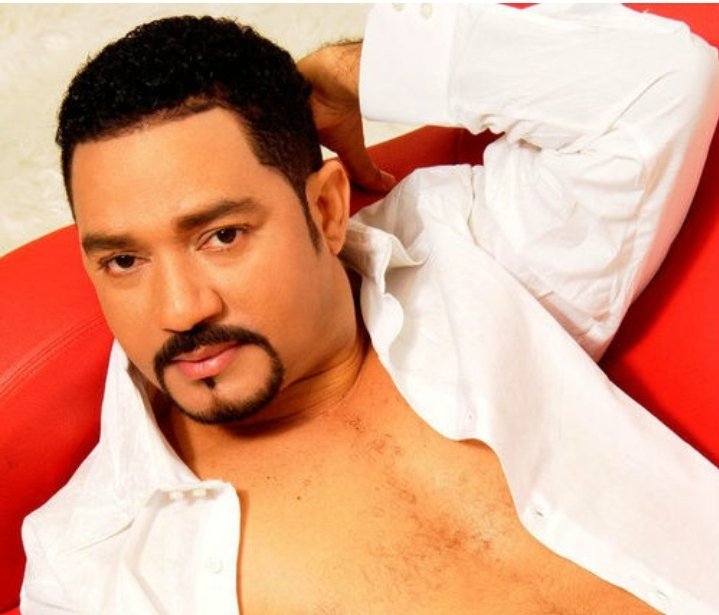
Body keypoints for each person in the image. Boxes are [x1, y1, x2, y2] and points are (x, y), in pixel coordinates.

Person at [20, 4, 719, 614]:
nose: (179, 309)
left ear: (326, 209)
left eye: (222, 236)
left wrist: (359, 70)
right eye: (124, 261)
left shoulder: (465, 251)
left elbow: (663, 84)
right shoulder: (91, 566)